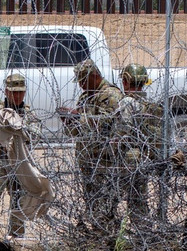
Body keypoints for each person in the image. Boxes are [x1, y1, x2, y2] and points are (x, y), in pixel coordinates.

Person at [58, 59, 124, 234]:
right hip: (87, 158)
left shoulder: (110, 95)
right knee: (92, 200)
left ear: (95, 76)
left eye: (83, 81)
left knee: (106, 200)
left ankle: (107, 236)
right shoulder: (86, 96)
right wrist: (69, 121)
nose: (80, 85)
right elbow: (77, 131)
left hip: (104, 160)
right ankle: (98, 233)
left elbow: (105, 125)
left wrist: (76, 117)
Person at [0, 73, 40, 240]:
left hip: (20, 165)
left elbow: (36, 136)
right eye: (14, 92)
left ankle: (16, 240)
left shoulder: (28, 114)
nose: (18, 96)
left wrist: (20, 133)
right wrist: (0, 139)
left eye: (21, 92)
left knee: (19, 203)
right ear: (6, 91)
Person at [115, 63, 159, 226]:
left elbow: (124, 129)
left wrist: (112, 142)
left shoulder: (127, 102)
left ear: (126, 81)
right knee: (139, 197)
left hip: (130, 156)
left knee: (129, 197)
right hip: (144, 155)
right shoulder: (147, 103)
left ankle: (141, 232)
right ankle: (143, 230)